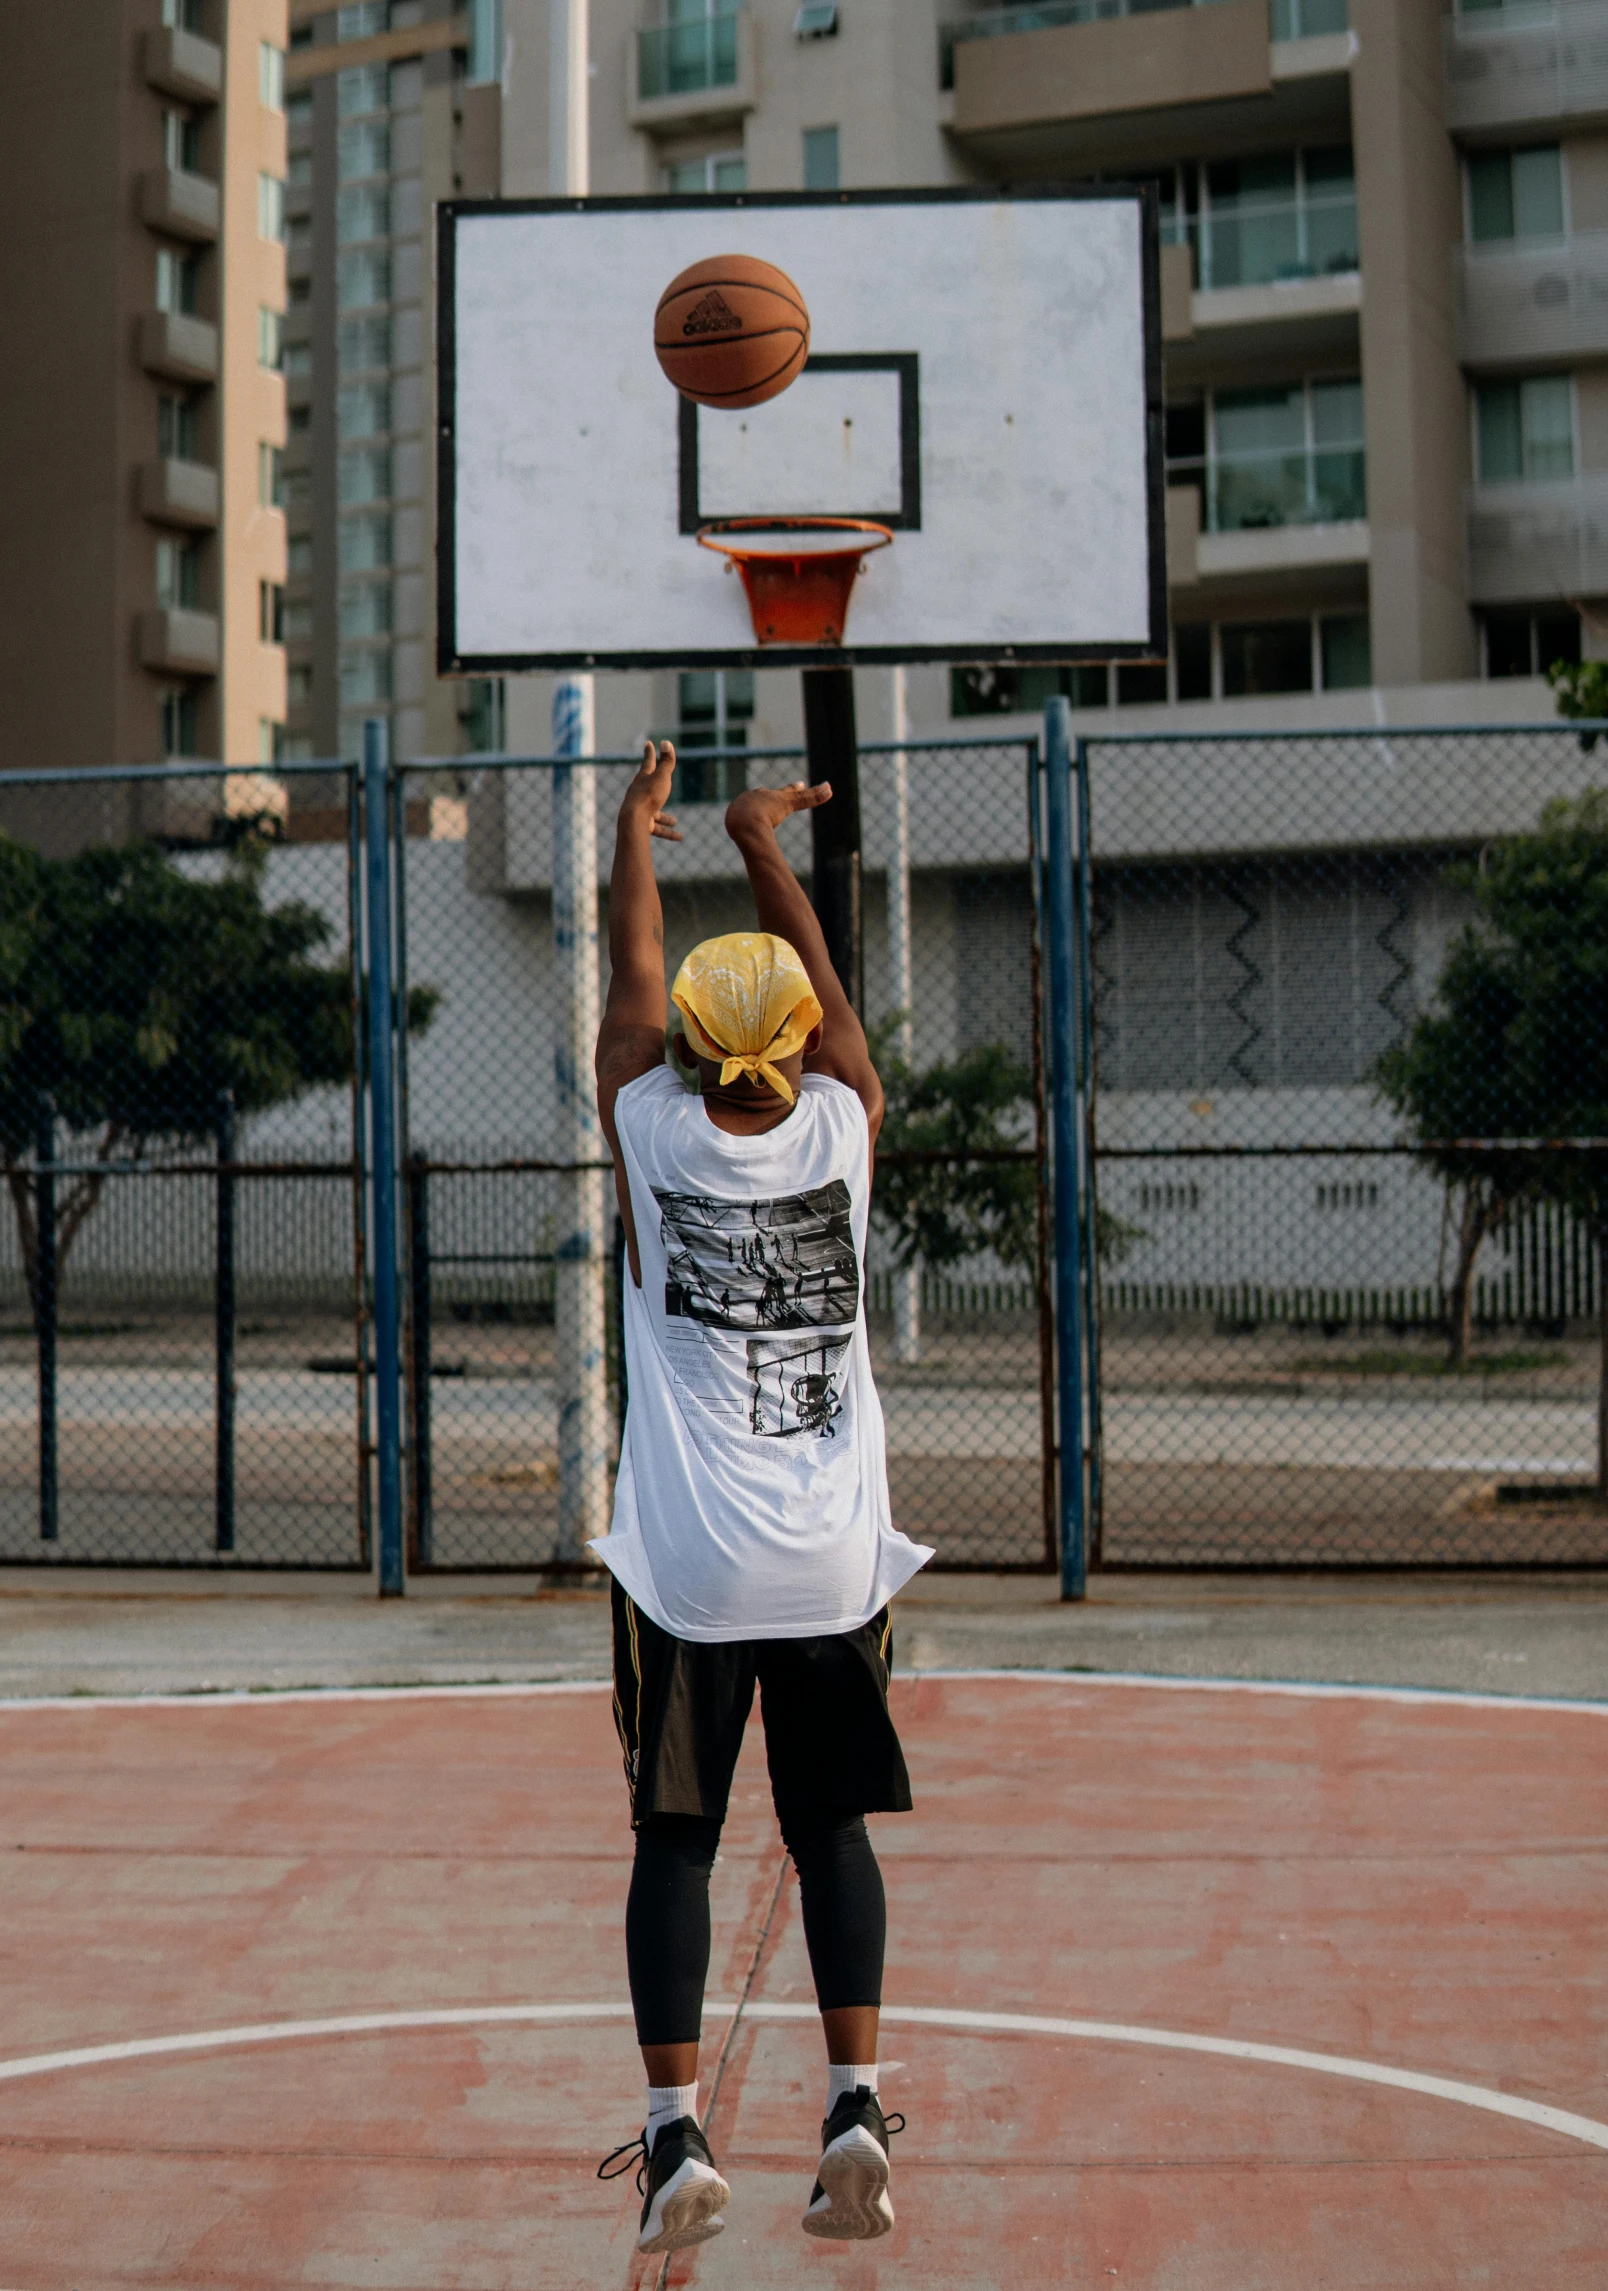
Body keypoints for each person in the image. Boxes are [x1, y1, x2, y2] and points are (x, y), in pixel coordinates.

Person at [591, 741, 932, 2253]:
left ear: (683, 1055)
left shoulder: (649, 1133)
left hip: (690, 1573)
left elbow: (630, 976)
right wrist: (756, 839)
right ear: (798, 1048)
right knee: (832, 1829)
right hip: (832, 1566)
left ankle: (676, 2135)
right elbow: (833, 1007)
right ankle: (853, 2103)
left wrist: (637, 834)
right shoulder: (845, 1127)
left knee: (678, 1841)